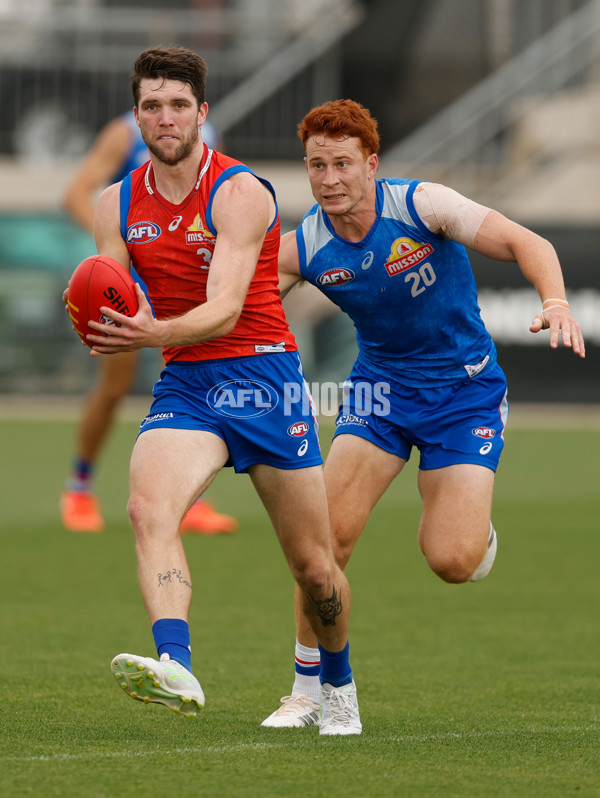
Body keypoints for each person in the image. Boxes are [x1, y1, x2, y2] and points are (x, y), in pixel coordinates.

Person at [261, 98, 585, 728]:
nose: (329, 178)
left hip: (465, 395)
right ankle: (307, 690)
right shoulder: (303, 247)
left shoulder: (422, 206)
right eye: (317, 166)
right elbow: (235, 307)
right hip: (378, 397)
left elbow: (527, 241)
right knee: (324, 545)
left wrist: (556, 303)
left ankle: (475, 530)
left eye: (343, 164)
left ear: (371, 164)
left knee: (452, 560)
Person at [72, 47, 361, 735]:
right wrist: (97, 314)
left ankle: (338, 686)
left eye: (179, 105)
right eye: (152, 106)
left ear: (201, 112)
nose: (165, 118)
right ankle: (176, 663)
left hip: (263, 378)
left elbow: (225, 309)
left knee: (315, 568)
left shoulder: (239, 192)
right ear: (136, 116)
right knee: (147, 509)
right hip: (187, 383)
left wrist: (149, 333)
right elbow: (114, 292)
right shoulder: (116, 203)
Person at [60, 108, 237, 536]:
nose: (167, 110)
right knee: (114, 386)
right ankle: (79, 488)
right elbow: (76, 195)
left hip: (180, 278)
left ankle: (192, 500)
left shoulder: (208, 133)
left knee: (192, 383)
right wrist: (112, 249)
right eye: (155, 98)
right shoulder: (124, 133)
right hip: (129, 280)